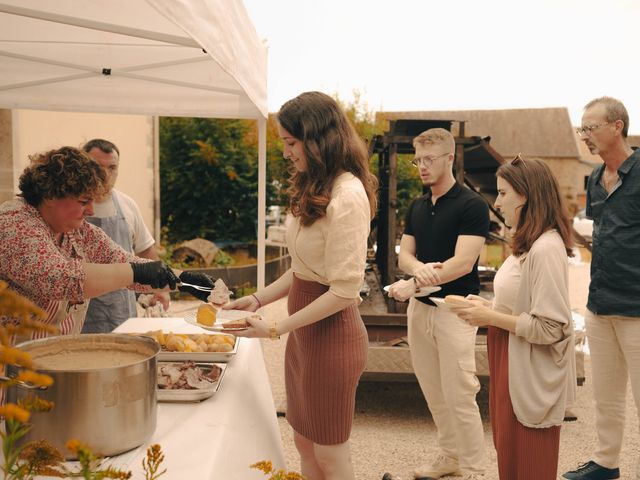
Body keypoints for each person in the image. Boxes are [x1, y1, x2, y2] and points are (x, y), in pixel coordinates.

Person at [223, 91, 378, 480]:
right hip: (304, 338)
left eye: (291, 142)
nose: (287, 151)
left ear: (316, 138)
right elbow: (303, 270)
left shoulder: (348, 195)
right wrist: (257, 299)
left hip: (332, 338)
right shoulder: (316, 185)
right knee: (304, 445)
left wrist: (274, 328)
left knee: (330, 454)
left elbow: (343, 292)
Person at [0, 146, 212, 339]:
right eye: (84, 202)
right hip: (8, 364)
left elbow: (121, 260)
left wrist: (182, 279)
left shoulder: (78, 232)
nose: (90, 211)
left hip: (50, 358)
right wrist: (136, 272)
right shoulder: (14, 222)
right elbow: (59, 278)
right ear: (50, 196)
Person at [453, 156, 576, 479]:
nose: (498, 202)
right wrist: (483, 309)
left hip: (528, 367)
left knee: (529, 466)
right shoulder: (528, 245)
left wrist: (491, 317)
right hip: (510, 357)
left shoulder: (546, 249)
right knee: (509, 460)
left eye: (503, 193)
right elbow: (520, 304)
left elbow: (551, 327)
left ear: (525, 195)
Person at [387, 128, 489, 480]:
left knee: (460, 394)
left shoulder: (472, 205)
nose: (422, 167)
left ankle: (475, 470)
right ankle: (449, 457)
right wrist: (418, 272)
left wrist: (414, 281)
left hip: (456, 310)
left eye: (430, 159)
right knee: (433, 391)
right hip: (420, 311)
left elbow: (462, 262)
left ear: (450, 158)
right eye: (417, 160)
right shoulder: (417, 205)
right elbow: (405, 256)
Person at [563, 96, 640, 480]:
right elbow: (603, 235)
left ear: (616, 127)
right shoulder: (594, 178)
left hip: (638, 307)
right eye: (583, 129)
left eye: (591, 127)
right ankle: (606, 464)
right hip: (599, 303)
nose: (586, 136)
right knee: (606, 397)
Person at [80, 138, 169, 333]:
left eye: (112, 168)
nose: (105, 174)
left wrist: (160, 288)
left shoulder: (128, 205)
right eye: (97, 167)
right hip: (80, 313)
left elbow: (145, 251)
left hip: (121, 313)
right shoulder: (72, 207)